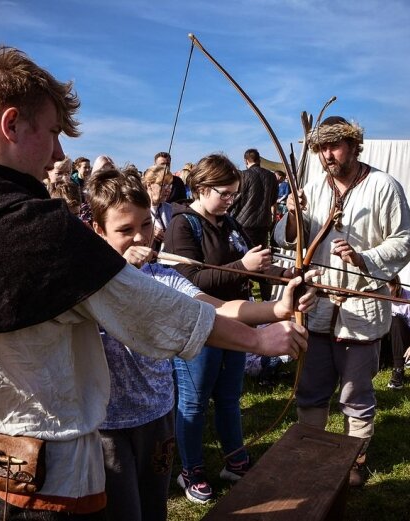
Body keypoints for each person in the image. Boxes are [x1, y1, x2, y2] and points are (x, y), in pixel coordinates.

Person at [0, 46, 307, 520]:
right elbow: (153, 311)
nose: (58, 152)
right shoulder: (41, 231)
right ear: (10, 125)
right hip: (46, 467)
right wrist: (258, 339)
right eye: (52, 132)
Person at [85, 166, 316, 521]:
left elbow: (219, 308)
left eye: (145, 225)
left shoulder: (160, 275)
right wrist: (117, 270)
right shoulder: (87, 283)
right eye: (124, 230)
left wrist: (278, 308)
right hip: (108, 426)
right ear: (98, 230)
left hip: (158, 414)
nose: (139, 238)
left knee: (154, 508)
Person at [274, 115, 410, 487]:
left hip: (361, 309)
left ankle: (355, 462)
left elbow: (404, 241)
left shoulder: (384, 186)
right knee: (311, 392)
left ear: (354, 145)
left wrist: (364, 257)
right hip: (317, 307)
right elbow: (289, 239)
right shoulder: (314, 186)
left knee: (356, 396)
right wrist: (291, 214)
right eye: (320, 148)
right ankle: (312, 456)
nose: (326, 155)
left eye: (334, 146)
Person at [163, 153, 295, 504]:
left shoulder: (229, 222)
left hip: (235, 321)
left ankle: (234, 461)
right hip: (198, 328)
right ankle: (190, 470)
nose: (230, 200)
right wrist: (242, 265)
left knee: (228, 397)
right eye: (225, 193)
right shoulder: (182, 225)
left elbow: (253, 265)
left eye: (234, 194)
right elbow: (188, 280)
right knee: (193, 403)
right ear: (202, 188)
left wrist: (287, 276)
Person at [230, 149, 279, 300]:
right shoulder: (271, 176)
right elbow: (272, 200)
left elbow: (236, 199)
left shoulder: (244, 175)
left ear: (246, 161)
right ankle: (265, 297)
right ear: (259, 159)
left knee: (243, 262)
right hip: (263, 224)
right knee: (263, 261)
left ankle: (244, 295)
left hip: (243, 225)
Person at [379, 275, 410, 390]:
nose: (386, 294)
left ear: (396, 286)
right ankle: (380, 361)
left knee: (396, 319)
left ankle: (398, 371)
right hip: (383, 340)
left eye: (388, 290)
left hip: (401, 340)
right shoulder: (379, 295)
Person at [141, 163, 173, 251]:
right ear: (149, 185)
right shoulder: (138, 208)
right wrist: (148, 230)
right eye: (163, 185)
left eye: (169, 185)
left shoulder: (171, 209)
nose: (168, 189)